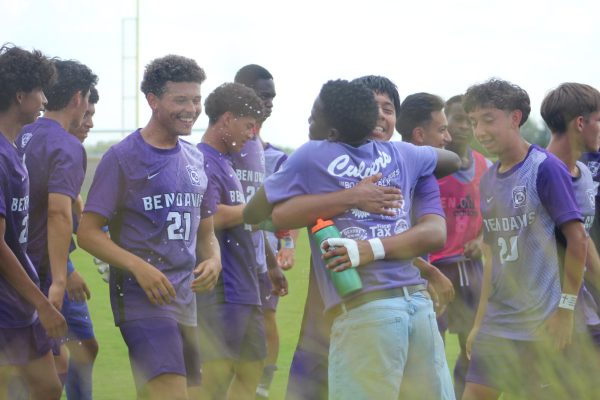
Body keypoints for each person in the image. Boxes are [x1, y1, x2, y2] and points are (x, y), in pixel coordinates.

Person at [245, 79, 455, 399]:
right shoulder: (402, 153)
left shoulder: (314, 155)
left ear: (331, 132)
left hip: (367, 311)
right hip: (417, 305)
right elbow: (453, 160)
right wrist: (359, 192)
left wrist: (343, 198)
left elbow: (256, 213)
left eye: (314, 116)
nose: (308, 122)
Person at [77, 54, 220, 400]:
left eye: (197, 99)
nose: (192, 109)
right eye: (181, 100)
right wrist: (138, 267)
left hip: (185, 301)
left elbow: (206, 232)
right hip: (143, 303)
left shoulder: (195, 157)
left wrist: (214, 259)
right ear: (153, 101)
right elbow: (88, 232)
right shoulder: (123, 157)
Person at [462, 79, 588, 400]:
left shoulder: (545, 168)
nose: (480, 131)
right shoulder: (488, 179)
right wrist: (479, 322)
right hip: (496, 325)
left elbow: (577, 241)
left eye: (488, 119)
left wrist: (566, 310)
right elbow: (493, 257)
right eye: (475, 122)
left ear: (515, 118)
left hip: (541, 326)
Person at [196, 82, 286, 400]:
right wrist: (257, 210)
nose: (252, 135)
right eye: (248, 126)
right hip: (223, 288)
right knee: (214, 380)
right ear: (227, 119)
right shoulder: (202, 161)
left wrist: (272, 265)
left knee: (253, 367)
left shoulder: (228, 163)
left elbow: (245, 218)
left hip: (248, 284)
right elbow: (209, 218)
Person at [402, 92, 490, 399]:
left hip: (471, 269)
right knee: (429, 345)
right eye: (458, 119)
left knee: (475, 346)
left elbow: (495, 218)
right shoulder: (425, 165)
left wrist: (480, 240)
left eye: (472, 119)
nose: (464, 127)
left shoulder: (485, 166)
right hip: (433, 266)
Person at [17, 58, 98, 390]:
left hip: (16, 265)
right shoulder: (66, 144)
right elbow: (57, 213)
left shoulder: (21, 133)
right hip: (35, 271)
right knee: (44, 376)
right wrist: (60, 280)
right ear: (78, 98)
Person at [0, 43, 66, 400]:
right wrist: (41, 302)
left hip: (19, 301)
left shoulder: (12, 149)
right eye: (40, 91)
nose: (44, 100)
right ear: (20, 95)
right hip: (6, 305)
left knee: (47, 387)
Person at [231, 64, 289, 399]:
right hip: (224, 254)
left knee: (266, 316)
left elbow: (282, 211)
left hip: (260, 252)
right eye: (262, 95)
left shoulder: (275, 157)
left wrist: (281, 249)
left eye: (272, 97)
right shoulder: (217, 149)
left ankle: (263, 387)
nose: (269, 103)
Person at [542, 82, 600, 396]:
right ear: (581, 123)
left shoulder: (584, 173)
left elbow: (583, 239)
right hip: (549, 311)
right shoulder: (538, 171)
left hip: (582, 307)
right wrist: (563, 308)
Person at [64, 85, 100, 400]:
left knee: (84, 347)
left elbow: (76, 212)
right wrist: (66, 270)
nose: (89, 122)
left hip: (53, 261)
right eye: (86, 113)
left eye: (93, 115)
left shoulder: (75, 153)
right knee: (50, 361)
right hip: (46, 264)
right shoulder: (58, 148)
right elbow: (46, 218)